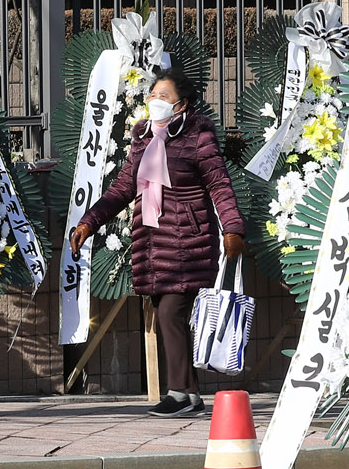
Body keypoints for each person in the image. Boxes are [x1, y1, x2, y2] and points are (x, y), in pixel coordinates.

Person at [69, 67, 244, 417]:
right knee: (171, 316)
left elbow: (220, 185)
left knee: (170, 313)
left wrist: (233, 227)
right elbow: (122, 188)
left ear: (182, 104)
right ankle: (191, 396)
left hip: (188, 242)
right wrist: (89, 222)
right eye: (152, 95)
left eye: (163, 96)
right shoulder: (144, 137)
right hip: (153, 244)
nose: (154, 101)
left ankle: (178, 393)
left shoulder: (198, 137)